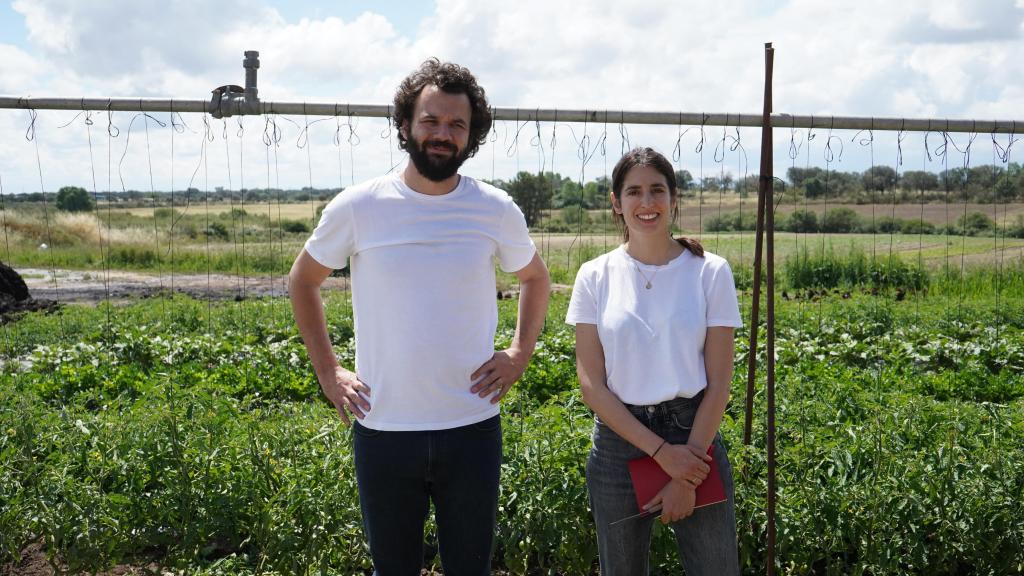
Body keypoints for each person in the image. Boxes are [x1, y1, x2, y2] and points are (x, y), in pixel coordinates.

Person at [289, 58, 550, 576]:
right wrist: (327, 371)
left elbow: (536, 278)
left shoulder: (494, 208)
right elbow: (302, 280)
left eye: (457, 124)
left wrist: (520, 352)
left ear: (472, 135)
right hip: (384, 427)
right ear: (405, 125)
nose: (442, 134)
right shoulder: (360, 206)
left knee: (471, 567)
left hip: (472, 426)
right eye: (430, 120)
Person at [565, 147, 742, 575]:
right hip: (618, 443)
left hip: (693, 434)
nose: (647, 203)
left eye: (657, 190)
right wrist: (662, 453)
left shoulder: (710, 272)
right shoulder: (594, 275)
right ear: (616, 201)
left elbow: (719, 384)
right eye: (634, 192)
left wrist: (685, 471)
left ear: (674, 197)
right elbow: (592, 385)